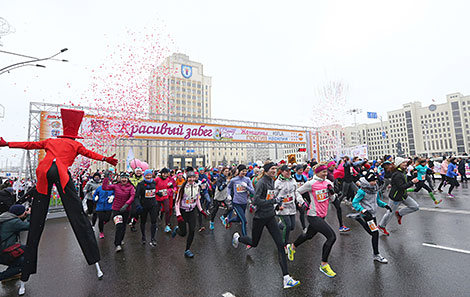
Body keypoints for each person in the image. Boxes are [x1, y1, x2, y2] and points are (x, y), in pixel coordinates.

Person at [0, 109, 116, 295]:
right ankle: (96, 265)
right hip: (61, 174)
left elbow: (29, 144)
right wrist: (106, 159)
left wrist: (7, 144)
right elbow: (91, 154)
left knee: (36, 224)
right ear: (75, 132)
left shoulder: (51, 141)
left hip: (44, 173)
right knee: (78, 217)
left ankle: (23, 281)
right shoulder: (75, 144)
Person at [231, 162, 300, 289]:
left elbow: (270, 197)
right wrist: (273, 201)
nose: (275, 170)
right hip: (260, 217)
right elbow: (256, 201)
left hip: (270, 216)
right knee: (254, 243)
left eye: (275, 168)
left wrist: (276, 205)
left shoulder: (272, 181)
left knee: (280, 245)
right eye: (272, 169)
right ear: (267, 170)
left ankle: (286, 278)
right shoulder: (262, 182)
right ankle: (238, 238)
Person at [286, 164, 338, 278]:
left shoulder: (328, 183)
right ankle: (324, 264)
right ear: (317, 172)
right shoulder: (311, 183)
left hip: (322, 214)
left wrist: (332, 192)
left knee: (309, 235)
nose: (325, 174)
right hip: (313, 215)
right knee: (331, 237)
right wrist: (302, 202)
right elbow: (297, 192)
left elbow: (332, 199)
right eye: (323, 172)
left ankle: (292, 246)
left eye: (326, 172)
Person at [352, 171, 391, 264]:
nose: (374, 183)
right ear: (367, 180)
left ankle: (359, 220)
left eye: (375, 180)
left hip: (373, 214)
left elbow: (376, 200)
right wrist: (363, 210)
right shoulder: (362, 191)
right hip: (366, 214)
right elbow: (355, 202)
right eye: (372, 181)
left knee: (373, 233)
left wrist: (385, 205)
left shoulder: (375, 189)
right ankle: (376, 255)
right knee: (375, 233)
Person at [377, 157, 419, 236]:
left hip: (403, 195)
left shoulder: (402, 172)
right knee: (389, 213)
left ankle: (399, 213)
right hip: (395, 197)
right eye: (403, 163)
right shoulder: (397, 174)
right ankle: (381, 226)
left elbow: (399, 183)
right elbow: (401, 187)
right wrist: (412, 182)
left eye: (405, 163)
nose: (405, 164)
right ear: (399, 164)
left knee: (415, 206)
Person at [171, 171, 207, 258]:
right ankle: (177, 229)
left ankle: (187, 249)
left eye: (193, 177)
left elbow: (197, 200)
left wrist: (201, 210)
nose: (191, 179)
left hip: (192, 211)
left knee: (192, 230)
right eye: (189, 177)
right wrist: (178, 215)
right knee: (183, 233)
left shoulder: (197, 187)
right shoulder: (182, 188)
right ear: (187, 178)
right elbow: (177, 202)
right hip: (183, 211)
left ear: (195, 178)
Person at [102, 171, 135, 252]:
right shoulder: (116, 186)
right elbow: (105, 188)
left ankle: (120, 239)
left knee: (123, 226)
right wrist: (106, 178)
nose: (124, 179)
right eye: (122, 178)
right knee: (119, 226)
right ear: (120, 178)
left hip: (126, 209)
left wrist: (126, 205)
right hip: (116, 209)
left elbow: (132, 196)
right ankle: (117, 244)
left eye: (125, 178)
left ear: (128, 179)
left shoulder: (131, 187)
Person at [275, 165, 305, 246]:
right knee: (287, 226)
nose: (288, 172)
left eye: (289, 171)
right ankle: (284, 244)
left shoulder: (293, 180)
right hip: (282, 207)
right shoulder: (277, 182)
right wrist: (277, 206)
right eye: (286, 171)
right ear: (281, 171)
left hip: (291, 206)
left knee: (292, 227)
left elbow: (296, 192)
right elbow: (273, 195)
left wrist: (300, 201)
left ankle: (276, 226)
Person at [0, 205, 30, 282]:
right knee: (26, 263)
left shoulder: (5, 216)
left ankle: (12, 272)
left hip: (2, 249)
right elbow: (30, 226)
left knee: (25, 251)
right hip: (5, 252)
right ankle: (3, 276)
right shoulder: (14, 222)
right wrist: (29, 214)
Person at [225, 164, 255, 236]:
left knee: (239, 219)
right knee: (244, 221)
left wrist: (246, 187)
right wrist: (228, 195)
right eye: (242, 171)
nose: (244, 173)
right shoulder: (234, 180)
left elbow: (253, 191)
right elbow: (229, 188)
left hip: (244, 202)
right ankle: (245, 238)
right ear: (238, 171)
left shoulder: (247, 179)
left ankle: (228, 220)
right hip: (236, 202)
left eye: (245, 171)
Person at [135, 169, 158, 246]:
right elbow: (137, 196)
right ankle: (143, 237)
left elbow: (154, 191)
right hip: (144, 205)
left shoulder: (154, 182)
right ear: (144, 175)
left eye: (150, 175)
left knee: (154, 221)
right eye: (147, 175)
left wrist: (158, 193)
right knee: (143, 221)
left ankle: (153, 238)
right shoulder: (140, 184)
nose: (148, 177)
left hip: (153, 205)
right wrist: (138, 204)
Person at [155, 168, 176, 233]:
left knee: (167, 210)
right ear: (161, 173)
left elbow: (168, 185)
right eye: (163, 173)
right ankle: (155, 224)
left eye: (166, 173)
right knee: (156, 211)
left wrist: (170, 187)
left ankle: (167, 225)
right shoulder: (157, 179)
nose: (164, 175)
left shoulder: (167, 179)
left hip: (165, 197)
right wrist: (157, 192)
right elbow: (152, 186)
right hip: (158, 198)